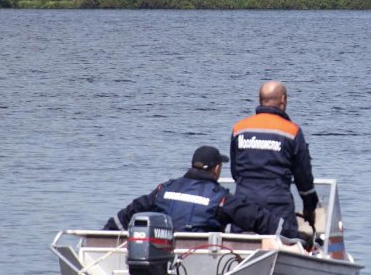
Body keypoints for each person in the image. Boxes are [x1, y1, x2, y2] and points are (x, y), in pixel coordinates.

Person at [104, 145, 277, 233]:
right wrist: (293, 234)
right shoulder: (221, 199)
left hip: (166, 257)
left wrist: (105, 233)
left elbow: (131, 211)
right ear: (217, 169)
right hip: (203, 261)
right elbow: (258, 219)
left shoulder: (164, 190)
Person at [230, 81, 318, 239]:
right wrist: (309, 207)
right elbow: (303, 178)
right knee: (286, 243)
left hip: (243, 203)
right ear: (283, 100)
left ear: (259, 100)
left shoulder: (239, 128)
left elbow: (235, 172)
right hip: (277, 206)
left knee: (241, 245)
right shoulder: (292, 131)